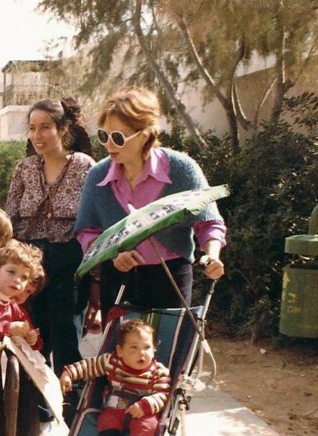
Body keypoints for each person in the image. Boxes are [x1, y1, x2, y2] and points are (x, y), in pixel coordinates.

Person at [74, 87, 226, 319]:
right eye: (104, 136)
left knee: (168, 341)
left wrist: (212, 255)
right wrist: (112, 255)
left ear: (145, 135)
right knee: (117, 342)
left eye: (118, 137)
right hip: (117, 277)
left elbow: (209, 223)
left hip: (170, 277)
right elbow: (86, 231)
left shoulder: (181, 168)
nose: (109, 145)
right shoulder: (97, 175)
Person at [5, 98, 96, 426]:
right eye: (32, 128)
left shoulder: (85, 166)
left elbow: (94, 220)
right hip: (29, 263)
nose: (37, 135)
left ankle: (76, 423)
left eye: (45, 127)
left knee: (67, 340)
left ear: (63, 128)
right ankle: (38, 418)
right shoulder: (25, 168)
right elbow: (10, 217)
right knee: (33, 339)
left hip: (70, 260)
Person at [59, 320, 171, 436]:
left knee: (149, 425)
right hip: (115, 410)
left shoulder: (158, 371)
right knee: (105, 420)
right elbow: (89, 365)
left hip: (142, 413)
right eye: (134, 347)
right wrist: (69, 373)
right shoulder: (112, 361)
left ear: (154, 349)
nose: (142, 353)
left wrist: (145, 405)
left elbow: (163, 394)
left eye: (147, 347)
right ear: (120, 350)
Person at [0, 240, 42, 350]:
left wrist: (31, 337)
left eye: (24, 277)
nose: (17, 280)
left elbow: (27, 330)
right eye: (11, 272)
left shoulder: (13, 306)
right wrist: (6, 328)